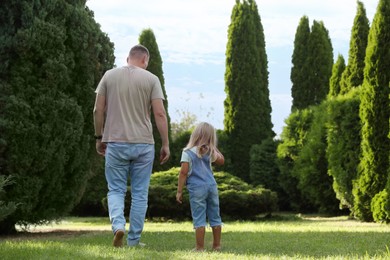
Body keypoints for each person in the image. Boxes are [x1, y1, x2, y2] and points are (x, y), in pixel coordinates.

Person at [93, 44, 170, 247]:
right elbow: (160, 114)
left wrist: (99, 137)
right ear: (145, 60)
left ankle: (118, 226)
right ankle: (134, 240)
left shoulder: (109, 76)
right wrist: (166, 143)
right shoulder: (152, 79)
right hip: (143, 144)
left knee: (116, 190)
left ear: (128, 58)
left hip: (115, 143)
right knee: (139, 193)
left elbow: (97, 110)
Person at [176, 122, 225, 251]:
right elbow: (222, 161)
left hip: (196, 188)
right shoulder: (209, 152)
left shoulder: (187, 152)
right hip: (211, 186)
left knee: (199, 217)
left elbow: (183, 172)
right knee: (215, 216)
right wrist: (213, 148)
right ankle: (217, 245)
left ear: (195, 135)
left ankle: (199, 247)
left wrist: (179, 191)